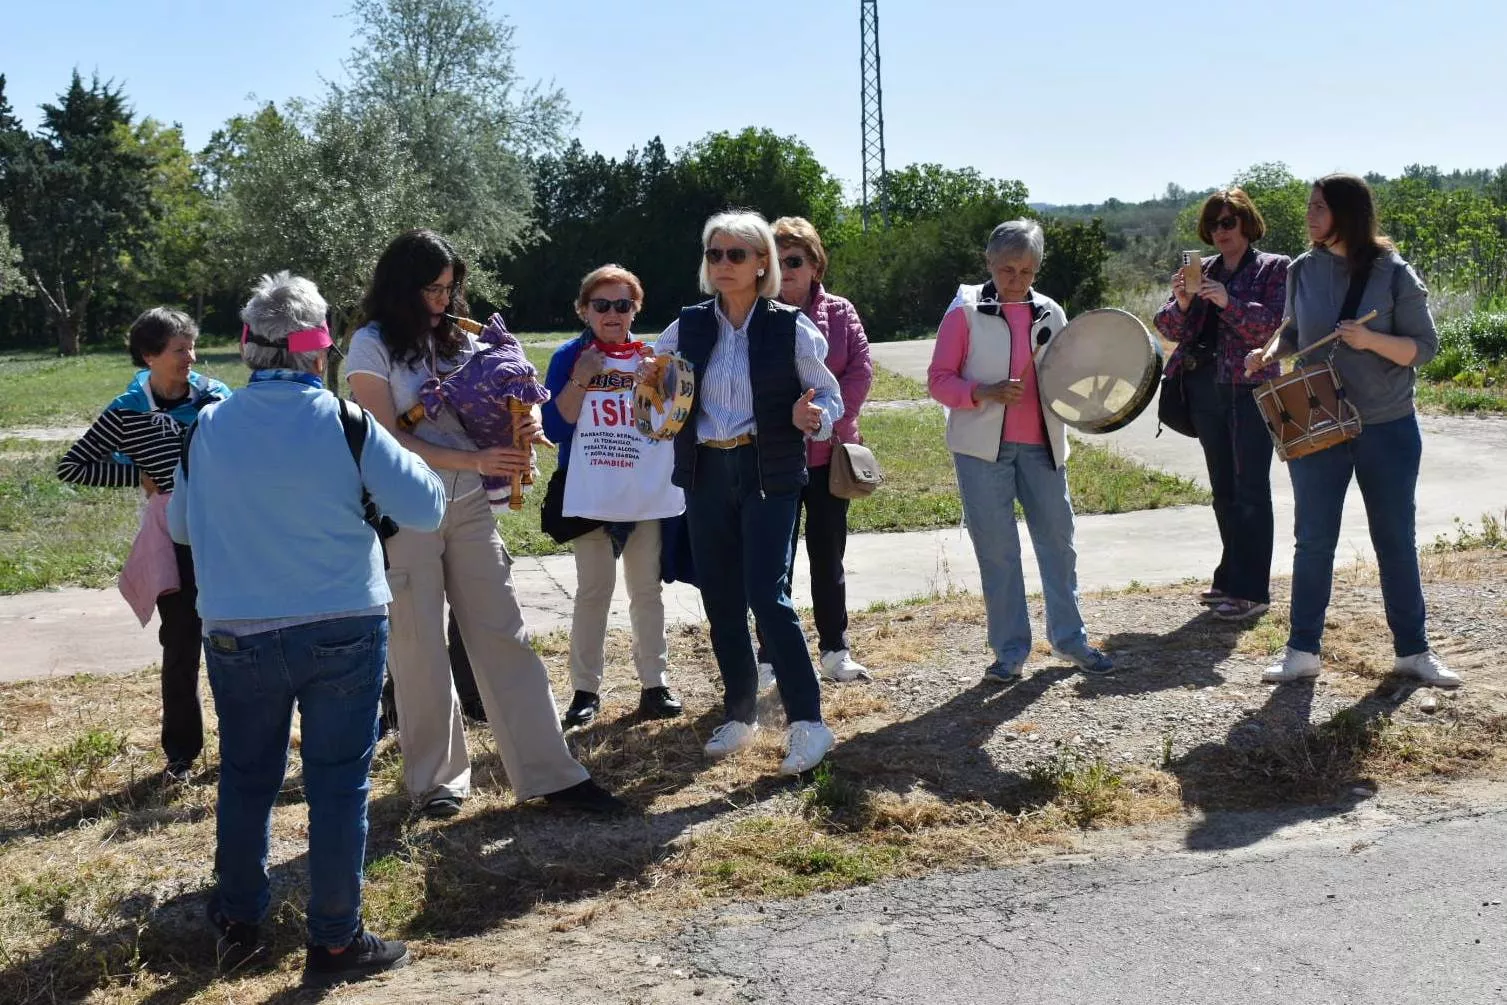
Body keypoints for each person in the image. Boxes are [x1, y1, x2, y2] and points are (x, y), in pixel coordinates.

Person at [167, 271, 447, 983]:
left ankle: (237, 919)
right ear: (318, 350)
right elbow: (426, 508)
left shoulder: (206, 426)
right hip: (343, 624)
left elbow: (178, 525)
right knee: (337, 783)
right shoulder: (345, 422)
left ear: (246, 348)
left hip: (238, 630)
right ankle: (333, 939)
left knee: (247, 776)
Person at [345, 228, 623, 818]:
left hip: (468, 504)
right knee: (418, 647)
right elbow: (383, 436)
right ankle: (437, 783)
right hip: (403, 509)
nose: (444, 302)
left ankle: (552, 772)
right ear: (400, 288)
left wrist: (522, 426)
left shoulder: (460, 340)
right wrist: (472, 459)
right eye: (431, 290)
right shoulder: (369, 344)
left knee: (504, 633)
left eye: (451, 289)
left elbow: (491, 410)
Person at [646, 210, 844, 775]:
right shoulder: (687, 325)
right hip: (706, 471)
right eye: (715, 254)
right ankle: (741, 713)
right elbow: (657, 383)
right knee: (721, 598)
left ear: (763, 264)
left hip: (768, 472)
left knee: (767, 595)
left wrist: (813, 416)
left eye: (737, 254)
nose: (724, 264)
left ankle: (809, 723)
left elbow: (829, 398)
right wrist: (651, 389)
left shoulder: (790, 327)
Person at [1245, 174, 1460, 688]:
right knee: (1313, 540)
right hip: (1321, 425)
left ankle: (1414, 652)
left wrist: (1368, 339)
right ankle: (1302, 651)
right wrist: (1270, 352)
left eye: (1319, 207)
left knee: (1395, 540)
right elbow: (1295, 331)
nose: (1309, 215)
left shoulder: (1393, 272)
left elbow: (1423, 348)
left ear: (1347, 214)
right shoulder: (1302, 269)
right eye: (1310, 207)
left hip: (1388, 426)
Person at [927, 219, 1113, 682]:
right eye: (1008, 269)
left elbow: (1067, 375)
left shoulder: (1051, 311)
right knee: (998, 552)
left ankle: (1071, 640)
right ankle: (1009, 652)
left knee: (1059, 544)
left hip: (1044, 448)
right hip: (981, 451)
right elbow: (938, 380)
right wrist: (982, 391)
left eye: (1027, 270)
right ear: (989, 263)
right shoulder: (964, 312)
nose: (1017, 279)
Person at [57, 307, 230, 782]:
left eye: (192, 347)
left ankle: (241, 744)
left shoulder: (215, 399)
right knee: (180, 645)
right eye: (179, 350)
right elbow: (73, 466)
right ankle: (182, 754)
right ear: (150, 355)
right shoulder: (128, 410)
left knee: (235, 640)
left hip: (226, 535)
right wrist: (138, 474)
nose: (190, 357)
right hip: (173, 542)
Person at [542, 264, 684, 729]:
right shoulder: (570, 356)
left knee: (646, 589)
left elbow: (670, 426)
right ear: (584, 310)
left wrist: (658, 382)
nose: (612, 313)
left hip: (642, 494)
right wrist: (582, 377)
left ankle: (654, 684)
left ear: (635, 309)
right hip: (591, 493)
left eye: (623, 305)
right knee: (593, 591)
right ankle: (585, 691)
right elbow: (555, 426)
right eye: (601, 305)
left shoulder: (654, 357)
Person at [1153, 188, 1289, 621]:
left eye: (1229, 222)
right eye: (1214, 224)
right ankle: (1230, 577)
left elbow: (1274, 329)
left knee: (1251, 489)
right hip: (1205, 388)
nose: (1221, 231)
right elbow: (1166, 327)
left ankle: (1253, 590)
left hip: (1250, 390)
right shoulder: (1201, 271)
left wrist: (1228, 301)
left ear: (1247, 223)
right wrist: (1185, 300)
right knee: (1223, 490)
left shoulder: (1274, 268)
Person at [750, 217, 874, 685]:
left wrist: (823, 419)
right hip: (774, 458)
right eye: (777, 263)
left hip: (828, 460)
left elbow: (860, 371)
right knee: (772, 563)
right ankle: (768, 657)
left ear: (816, 265)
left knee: (828, 556)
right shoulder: (757, 316)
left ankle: (834, 650)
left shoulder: (840, 312)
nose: (786, 270)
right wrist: (788, 421)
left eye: (795, 261)